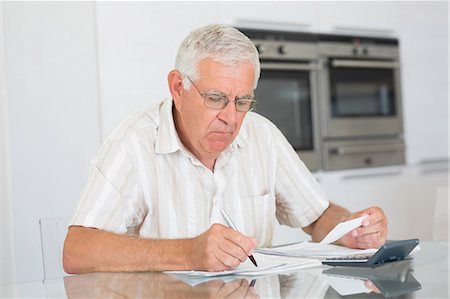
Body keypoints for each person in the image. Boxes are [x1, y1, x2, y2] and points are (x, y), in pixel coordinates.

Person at [63, 24, 388, 274]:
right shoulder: (133, 143)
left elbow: (318, 217)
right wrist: (188, 253)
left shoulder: (262, 136)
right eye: (215, 98)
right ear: (178, 87)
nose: (231, 118)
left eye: (242, 101)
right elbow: (78, 251)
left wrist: (351, 228)